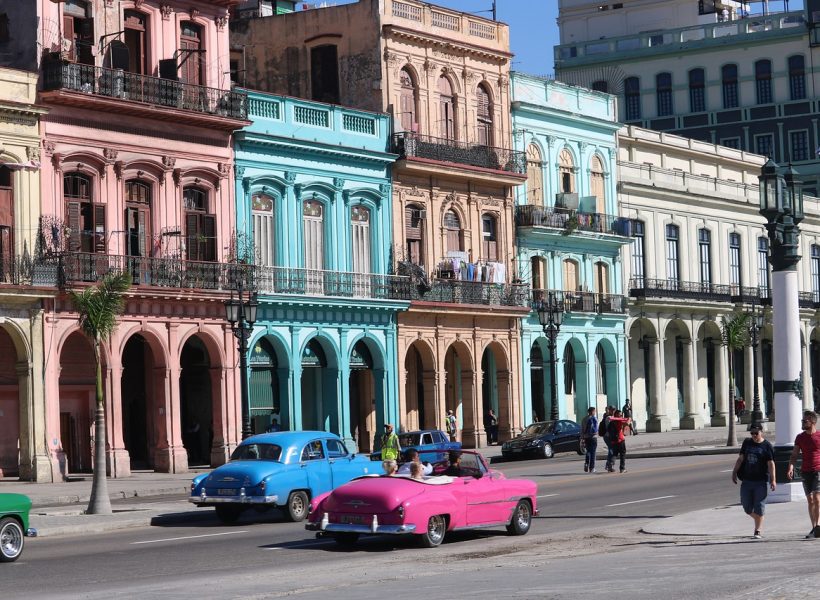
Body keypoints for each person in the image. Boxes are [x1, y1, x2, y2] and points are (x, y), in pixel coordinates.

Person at [732, 422, 776, 539]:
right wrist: (734, 472)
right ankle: (759, 518)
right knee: (746, 507)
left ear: (761, 432)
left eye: (756, 433)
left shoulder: (767, 446)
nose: (754, 435)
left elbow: (771, 464)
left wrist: (773, 479)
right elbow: (740, 459)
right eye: (752, 433)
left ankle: (758, 530)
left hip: (760, 481)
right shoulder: (747, 443)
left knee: (759, 506)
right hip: (747, 480)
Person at [787, 410, 820, 539]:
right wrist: (790, 466)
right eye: (802, 420)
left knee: (817, 498)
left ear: (812, 422)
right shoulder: (800, 437)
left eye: (804, 421)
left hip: (818, 470)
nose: (802, 422)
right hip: (805, 471)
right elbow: (794, 454)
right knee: (810, 500)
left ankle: (818, 526)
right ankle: (814, 528)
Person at [581, 407, 598, 473]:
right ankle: (592, 468)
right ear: (593, 411)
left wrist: (582, 438)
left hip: (586, 437)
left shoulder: (584, 419)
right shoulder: (594, 418)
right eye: (594, 411)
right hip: (593, 437)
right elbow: (597, 428)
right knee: (593, 452)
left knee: (588, 451)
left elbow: (582, 429)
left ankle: (586, 463)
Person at [599, 406, 614, 471]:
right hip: (607, 436)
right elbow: (608, 427)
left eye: (614, 410)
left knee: (611, 450)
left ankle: (608, 465)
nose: (613, 411)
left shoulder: (610, 417)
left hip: (609, 436)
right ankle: (608, 465)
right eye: (612, 410)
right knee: (612, 450)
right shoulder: (608, 417)